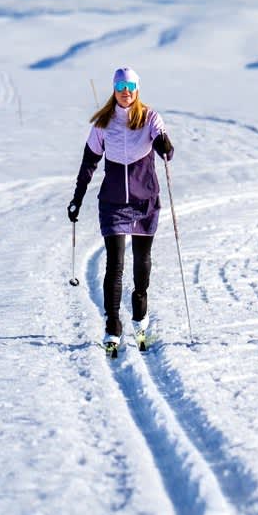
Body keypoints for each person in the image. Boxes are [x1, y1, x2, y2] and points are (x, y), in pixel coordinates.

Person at [68, 67, 175, 356]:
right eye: (120, 86)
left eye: (130, 85)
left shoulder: (150, 118)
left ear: (137, 89)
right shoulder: (103, 124)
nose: (125, 91)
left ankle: (140, 320)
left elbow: (164, 146)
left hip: (144, 202)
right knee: (114, 265)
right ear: (114, 89)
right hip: (113, 203)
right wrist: (77, 198)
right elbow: (88, 164)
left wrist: (164, 144)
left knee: (142, 264)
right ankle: (113, 327)